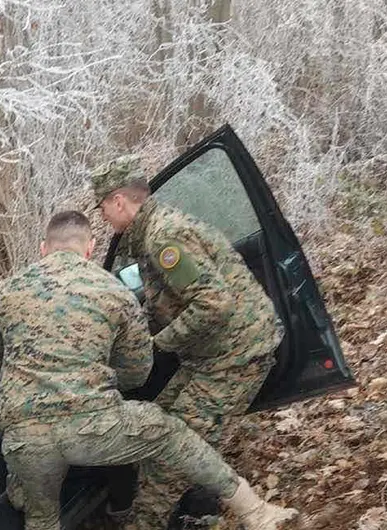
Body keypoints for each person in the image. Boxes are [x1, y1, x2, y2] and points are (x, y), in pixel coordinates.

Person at [0, 210, 296, 530]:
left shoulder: (5, 290)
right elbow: (137, 372)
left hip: (23, 437)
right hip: (93, 428)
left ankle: (71, 497)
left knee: (42, 520)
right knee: (172, 433)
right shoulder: (114, 291)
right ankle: (256, 513)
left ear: (43, 247)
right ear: (89, 249)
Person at [89, 155, 286, 528]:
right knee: (156, 426)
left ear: (118, 201)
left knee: (169, 454)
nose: (103, 218)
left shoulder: (164, 236)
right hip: (212, 355)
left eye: (102, 208)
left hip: (236, 352)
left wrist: (158, 345)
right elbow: (166, 299)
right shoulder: (151, 233)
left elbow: (213, 302)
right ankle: (190, 509)